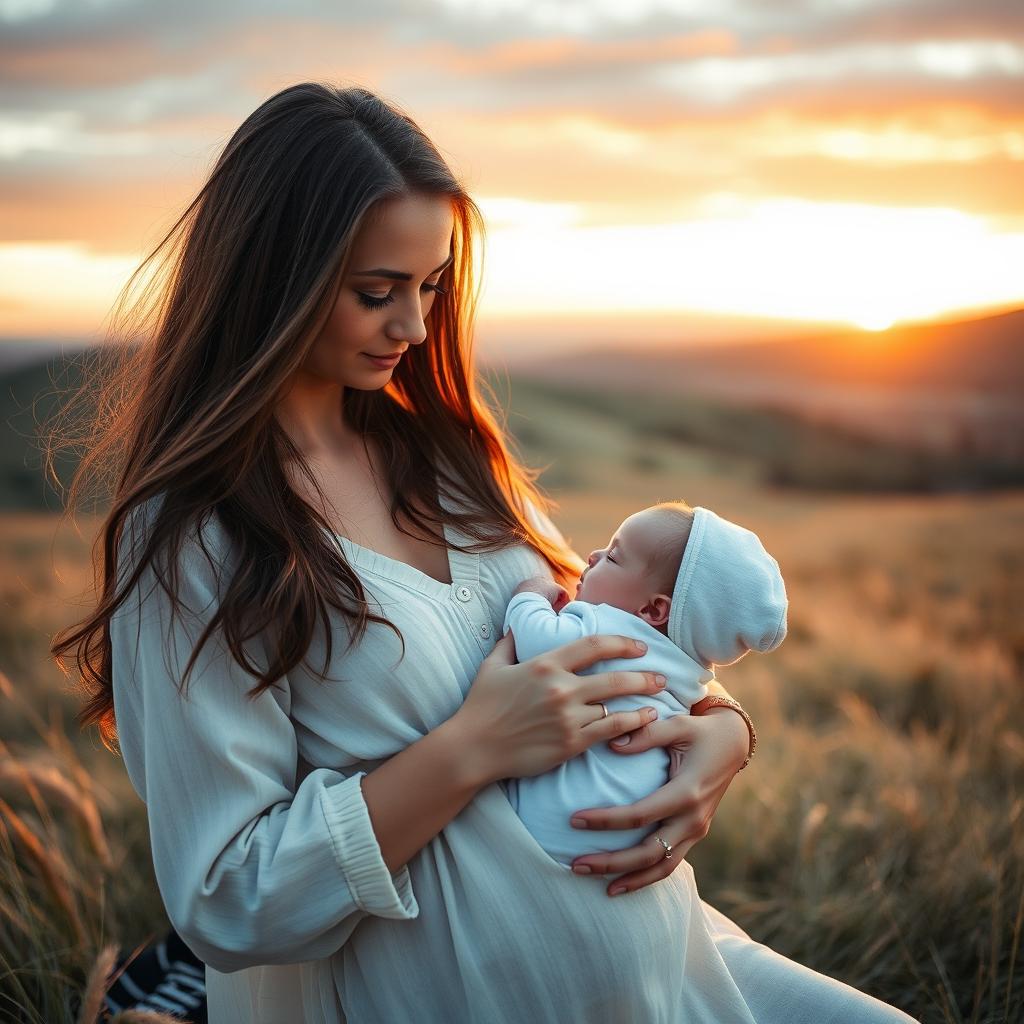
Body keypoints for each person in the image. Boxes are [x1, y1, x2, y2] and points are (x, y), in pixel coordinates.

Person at [50, 81, 917, 1022]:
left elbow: (610, 633)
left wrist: (721, 732)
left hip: (673, 958)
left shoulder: (449, 458)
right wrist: (471, 749)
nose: (416, 328)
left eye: (430, 286)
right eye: (376, 294)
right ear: (273, 280)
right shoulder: (196, 533)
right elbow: (228, 898)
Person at [502, 500, 787, 867]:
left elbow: (536, 641)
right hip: (631, 833)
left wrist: (530, 595)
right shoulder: (692, 671)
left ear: (653, 610)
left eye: (614, 556)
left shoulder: (605, 624)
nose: (592, 555)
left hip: (554, 824)